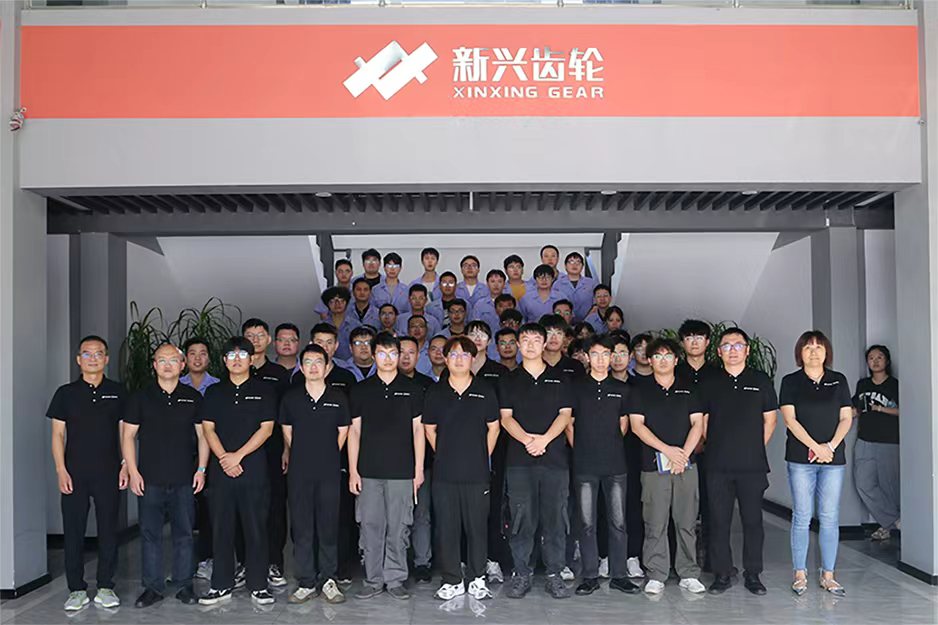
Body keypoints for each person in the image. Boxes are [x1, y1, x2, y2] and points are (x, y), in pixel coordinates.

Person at [123, 343, 208, 608]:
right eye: (162, 360)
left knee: (184, 533)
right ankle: (152, 588)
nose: (168, 365)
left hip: (184, 478)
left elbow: (203, 436)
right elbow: (128, 436)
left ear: (182, 365)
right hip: (149, 479)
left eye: (173, 360)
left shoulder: (193, 397)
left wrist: (201, 469)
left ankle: (184, 585)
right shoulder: (140, 397)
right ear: (154, 365)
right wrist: (133, 471)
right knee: (150, 535)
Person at [48, 335, 129, 611]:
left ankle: (106, 586)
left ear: (106, 359)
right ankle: (76, 589)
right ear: (78, 359)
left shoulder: (118, 391)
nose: (93, 358)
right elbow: (58, 435)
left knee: (108, 530)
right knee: (73, 531)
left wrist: (126, 464)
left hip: (109, 471)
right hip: (74, 473)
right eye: (87, 353)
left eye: (98, 354)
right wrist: (61, 469)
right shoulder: (65, 393)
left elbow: (125, 432)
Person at [698, 327, 777, 595]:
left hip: (752, 466)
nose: (733, 350)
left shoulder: (760, 380)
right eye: (727, 346)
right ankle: (722, 573)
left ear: (747, 350)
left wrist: (752, 447)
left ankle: (753, 574)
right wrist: (719, 445)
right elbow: (704, 423)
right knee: (718, 521)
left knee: (752, 521)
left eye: (738, 345)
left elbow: (770, 420)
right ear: (719, 352)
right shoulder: (710, 382)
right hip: (717, 465)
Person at [198, 337, 276, 605]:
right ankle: (220, 584)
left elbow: (267, 429)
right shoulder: (214, 392)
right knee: (221, 528)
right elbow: (208, 428)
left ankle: (258, 585)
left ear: (252, 359)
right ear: (224, 361)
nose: (237, 359)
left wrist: (238, 456)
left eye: (243, 354)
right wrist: (224, 458)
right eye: (231, 355)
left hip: (253, 468)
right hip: (221, 470)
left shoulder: (264, 390)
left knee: (256, 528)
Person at [500, 323, 574, 599]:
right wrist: (528, 441)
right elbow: (506, 418)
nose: (530, 345)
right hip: (520, 461)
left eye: (536, 340)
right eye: (525, 340)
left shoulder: (560, 378)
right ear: (519, 345)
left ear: (545, 344)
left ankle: (555, 574)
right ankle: (522, 573)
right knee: (521, 519)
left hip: (554, 460)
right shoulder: (509, 379)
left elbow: (565, 415)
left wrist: (544, 440)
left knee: (555, 518)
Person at [348, 332, 425, 600]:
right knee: (370, 526)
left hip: (402, 472)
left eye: (393, 353)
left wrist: (418, 470)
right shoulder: (361, 390)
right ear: (373, 355)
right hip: (368, 471)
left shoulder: (413, 389)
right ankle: (373, 579)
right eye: (382, 353)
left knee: (399, 527)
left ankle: (395, 578)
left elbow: (419, 431)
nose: (388, 358)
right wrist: (353, 470)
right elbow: (354, 432)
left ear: (400, 355)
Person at [424, 336, 501, 600]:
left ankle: (478, 578)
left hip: (477, 474)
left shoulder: (485, 390)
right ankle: (452, 580)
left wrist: (480, 455)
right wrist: (446, 453)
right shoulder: (436, 392)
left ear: (472, 359)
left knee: (477, 527)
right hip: (445, 473)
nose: (459, 359)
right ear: (445, 359)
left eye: (464, 355)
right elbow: (429, 429)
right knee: (447, 527)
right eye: (454, 355)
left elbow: (494, 428)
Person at [628, 338, 706, 595]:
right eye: (658, 356)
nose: (663, 360)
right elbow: (637, 426)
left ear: (676, 360)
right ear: (650, 361)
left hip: (686, 465)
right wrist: (668, 450)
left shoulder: (689, 389)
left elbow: (697, 424)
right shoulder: (639, 390)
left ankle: (688, 573)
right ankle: (656, 573)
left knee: (686, 520)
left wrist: (682, 455)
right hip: (653, 466)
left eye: (668, 356)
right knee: (655, 521)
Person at [780, 330, 853, 597]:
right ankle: (800, 574)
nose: (814, 352)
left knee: (830, 517)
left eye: (819, 347)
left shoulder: (838, 380)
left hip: (833, 459)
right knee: (801, 516)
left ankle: (828, 575)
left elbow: (846, 418)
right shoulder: (790, 381)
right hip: (801, 459)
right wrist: (815, 447)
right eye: (808, 347)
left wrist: (829, 447)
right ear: (800, 353)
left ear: (826, 352)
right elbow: (790, 420)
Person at [570, 336, 641, 596]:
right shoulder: (576, 388)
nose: (600, 360)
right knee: (587, 523)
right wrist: (583, 448)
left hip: (615, 465)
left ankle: (619, 575)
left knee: (618, 522)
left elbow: (624, 425)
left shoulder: (622, 389)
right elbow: (569, 424)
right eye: (595, 354)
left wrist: (607, 445)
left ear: (612, 357)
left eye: (605, 354)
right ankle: (590, 575)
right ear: (587, 357)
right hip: (584, 465)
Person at [281, 344, 350, 604]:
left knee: (328, 525)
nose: (313, 367)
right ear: (301, 367)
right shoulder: (291, 398)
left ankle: (329, 579)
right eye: (308, 362)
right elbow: (287, 432)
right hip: (299, 471)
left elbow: (342, 433)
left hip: (329, 470)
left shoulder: (338, 398)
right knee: (302, 526)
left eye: (318, 362)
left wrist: (326, 454)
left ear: (327, 367)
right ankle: (306, 581)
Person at [242, 318, 291, 589]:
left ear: (269, 340)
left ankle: (274, 562)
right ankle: (245, 563)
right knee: (244, 507)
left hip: (272, 450)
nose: (255, 340)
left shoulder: (279, 373)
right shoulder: (236, 370)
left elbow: (286, 417)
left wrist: (286, 449)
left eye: (260, 335)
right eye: (250, 336)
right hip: (242, 452)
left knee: (274, 507)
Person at [309, 323, 359, 584]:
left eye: (329, 342)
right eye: (319, 342)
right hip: (306, 460)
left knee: (340, 515)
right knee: (308, 516)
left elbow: (350, 424)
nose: (325, 347)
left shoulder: (346, 377)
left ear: (337, 346)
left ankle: (340, 567)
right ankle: (312, 566)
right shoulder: (301, 378)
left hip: (339, 459)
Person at [181, 338, 221, 581]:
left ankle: (208, 559)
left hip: (211, 457)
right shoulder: (175, 384)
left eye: (203, 353)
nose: (197, 358)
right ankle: (184, 563)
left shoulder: (218, 387)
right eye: (192, 353)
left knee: (208, 510)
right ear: (184, 359)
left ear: (209, 358)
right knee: (183, 511)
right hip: (181, 456)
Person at [398, 335, 436, 585]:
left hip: (425, 461)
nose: (405, 357)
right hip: (392, 461)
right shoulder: (385, 384)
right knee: (396, 516)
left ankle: (423, 562)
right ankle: (398, 564)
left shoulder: (428, 385)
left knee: (422, 513)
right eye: (401, 352)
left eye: (411, 352)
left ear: (419, 355)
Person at [852, 344, 901, 541]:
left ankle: (887, 526)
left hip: (889, 441)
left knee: (890, 487)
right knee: (863, 484)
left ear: (887, 361)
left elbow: (904, 410)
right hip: (865, 440)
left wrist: (878, 409)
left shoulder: (894, 385)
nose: (875, 361)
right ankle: (894, 521)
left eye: (879, 357)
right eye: (871, 358)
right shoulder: (863, 384)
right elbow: (856, 408)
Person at [608, 335, 643, 579]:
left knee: (632, 505)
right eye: (613, 353)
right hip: (603, 453)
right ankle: (605, 556)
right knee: (604, 507)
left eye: (622, 353)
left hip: (633, 453)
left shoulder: (638, 387)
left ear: (630, 356)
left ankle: (632, 556)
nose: (618, 358)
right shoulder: (597, 385)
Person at [554, 252, 597, 321]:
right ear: (565, 266)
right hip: (563, 322)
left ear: (582, 266)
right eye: (571, 262)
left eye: (578, 262)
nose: (574, 265)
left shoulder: (591, 283)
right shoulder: (557, 284)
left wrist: (586, 321)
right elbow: (554, 306)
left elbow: (596, 305)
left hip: (588, 322)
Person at [320, 286, 358, 362]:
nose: (337, 304)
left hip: (350, 364)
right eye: (332, 301)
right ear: (327, 305)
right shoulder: (321, 326)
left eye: (341, 301)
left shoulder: (355, 325)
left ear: (346, 303)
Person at [540, 314, 583, 379]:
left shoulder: (576, 366)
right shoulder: (531, 365)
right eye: (549, 332)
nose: (554, 337)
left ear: (565, 337)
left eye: (558, 333)